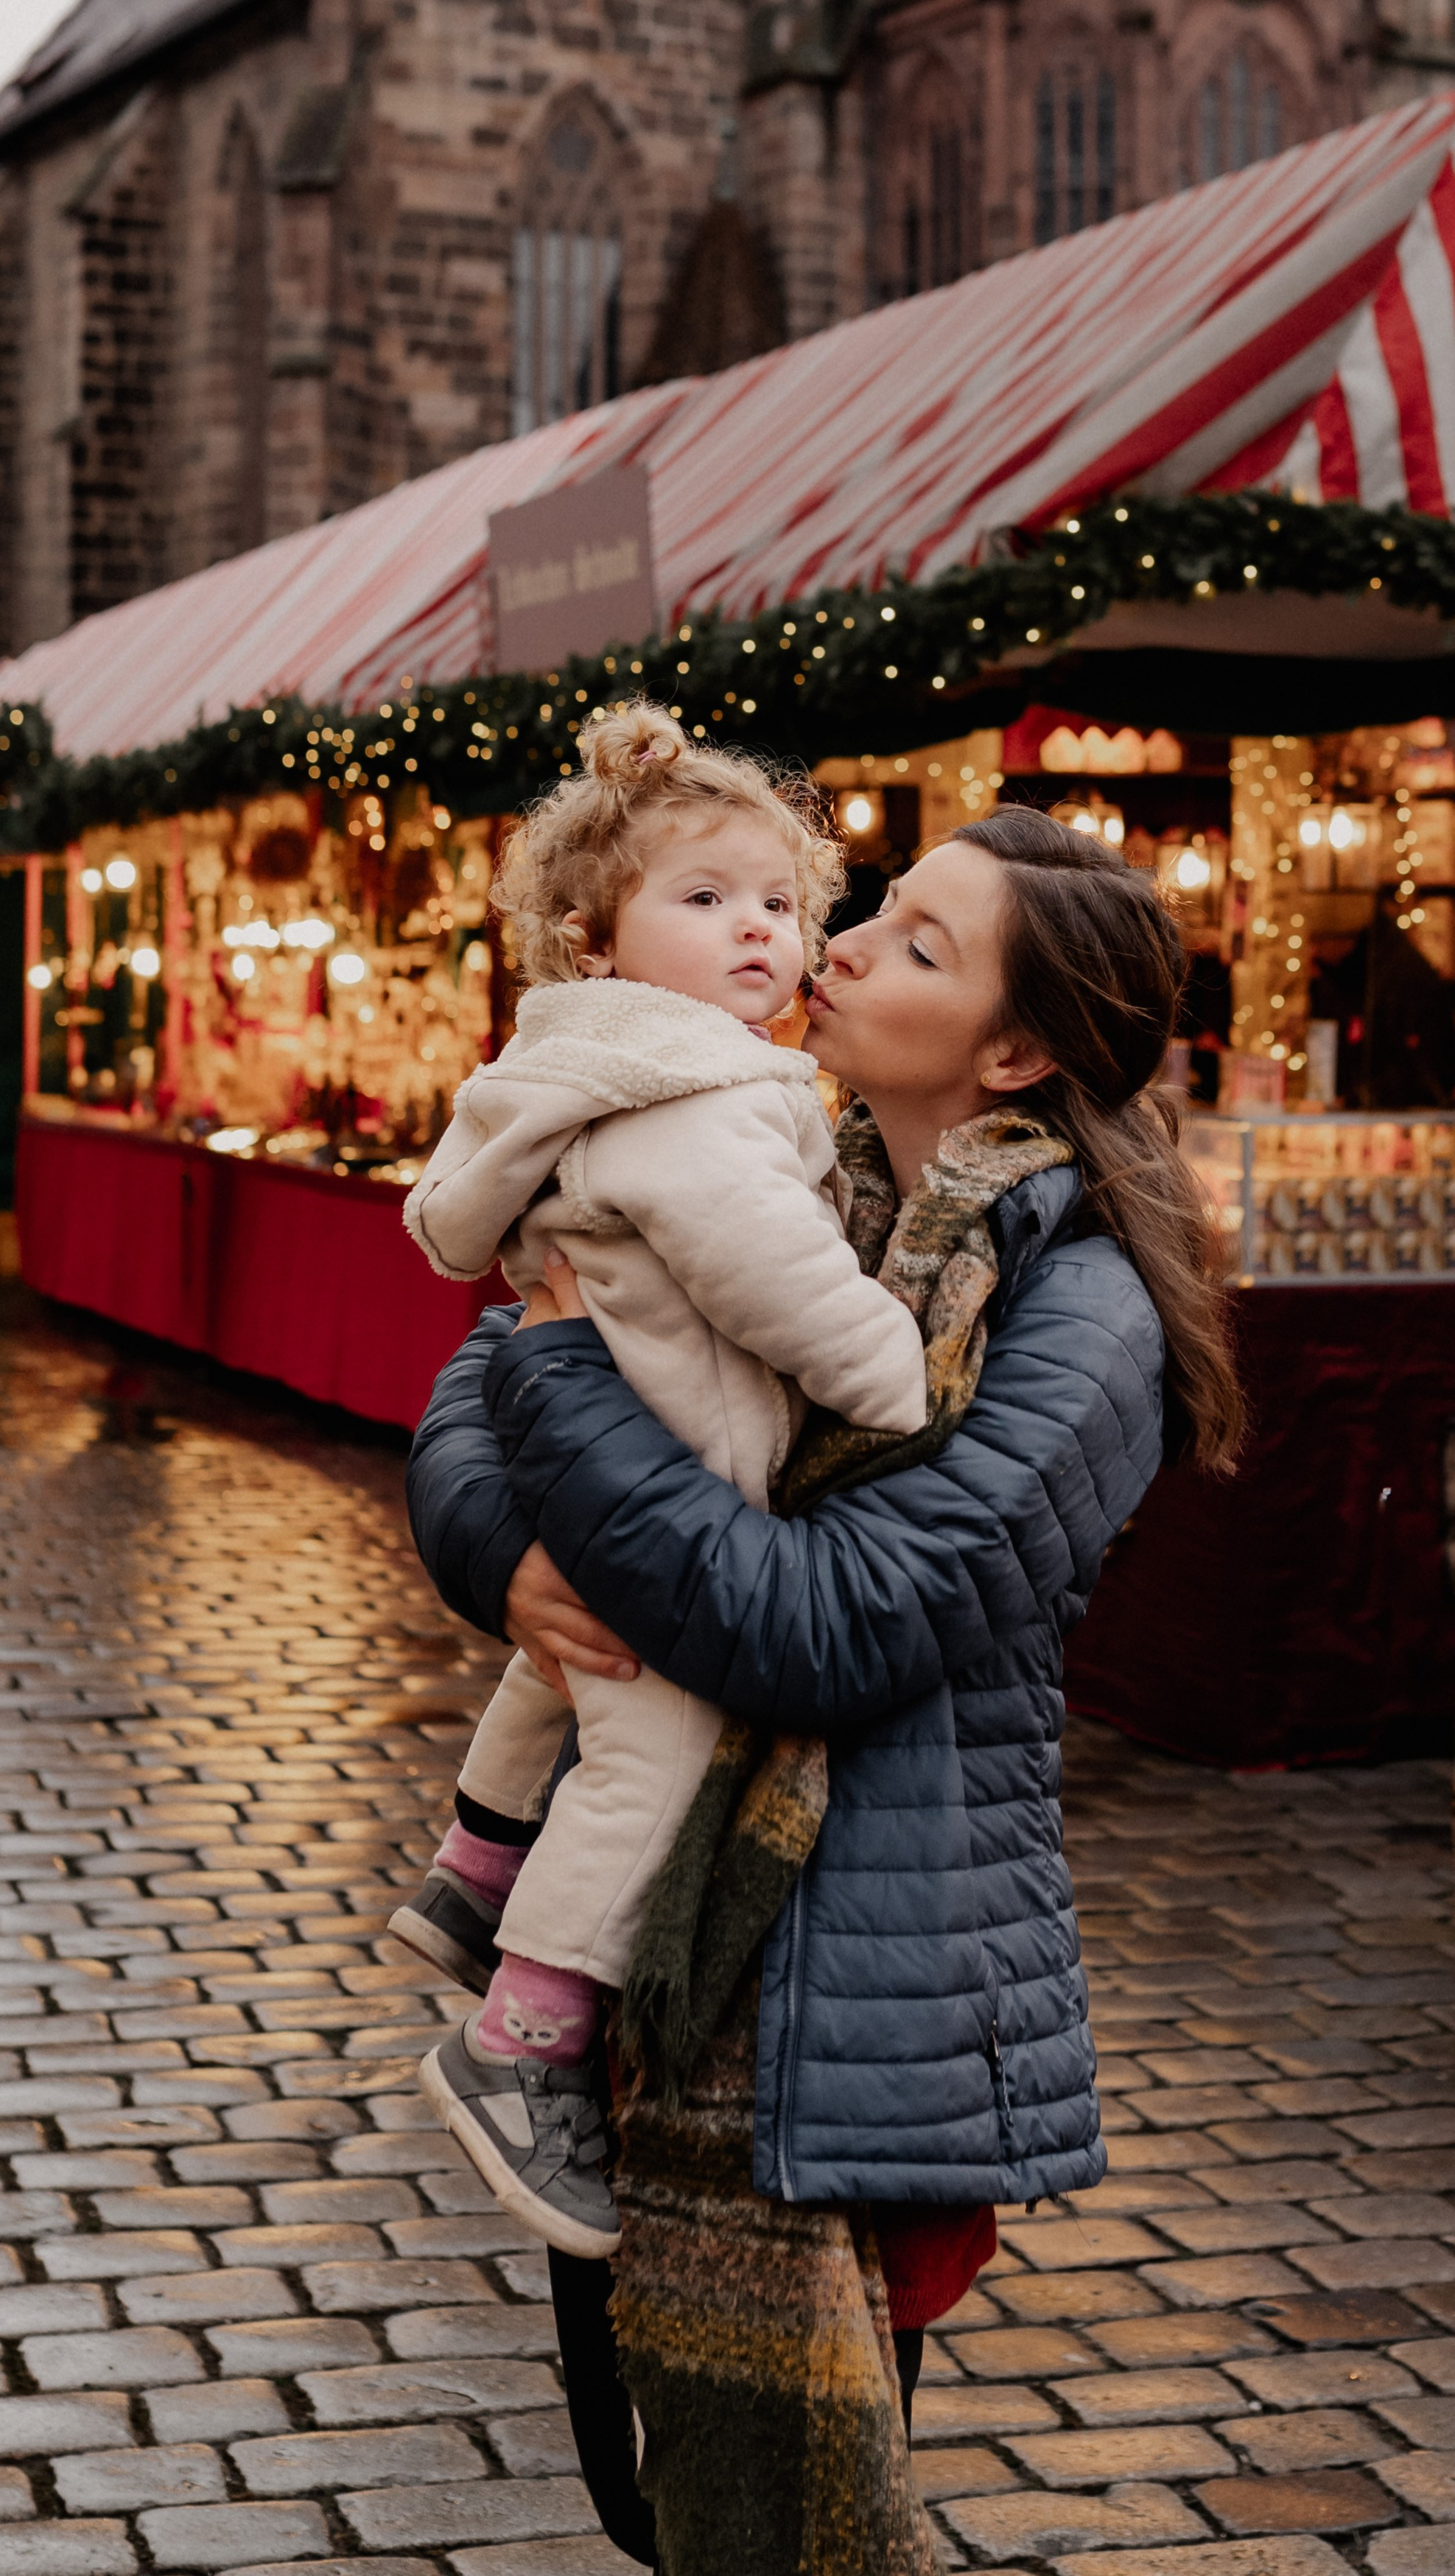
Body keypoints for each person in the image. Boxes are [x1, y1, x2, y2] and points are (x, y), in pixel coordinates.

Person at [406, 806, 1244, 2576]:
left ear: (1016, 1051)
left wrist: (560, 1393)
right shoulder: (768, 1156)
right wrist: (501, 1551)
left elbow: (828, 1619)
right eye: (866, 910)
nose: (839, 943)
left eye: (916, 944)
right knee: (680, 2532)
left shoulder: (1080, 1316)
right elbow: (475, 1365)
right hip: (662, 1984)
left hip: (848, 2020)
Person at [391, 704, 927, 2255]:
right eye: (702, 898)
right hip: (677, 1487)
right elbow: (781, 1281)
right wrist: (894, 1373)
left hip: (609, 1474)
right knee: (659, 1744)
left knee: (558, 1668)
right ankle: (523, 2037)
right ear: (596, 938)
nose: (758, 927)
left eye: (776, 898)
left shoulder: (589, 1073)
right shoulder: (693, 1099)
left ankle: (476, 1866)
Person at [1308, 910, 1455, 1107]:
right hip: (1354, 1111)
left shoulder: (1402, 977)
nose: (1312, 951)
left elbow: (1423, 1073)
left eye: (1318, 941)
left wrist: (1350, 1101)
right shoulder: (1338, 977)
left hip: (1400, 1115)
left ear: (1344, 938)